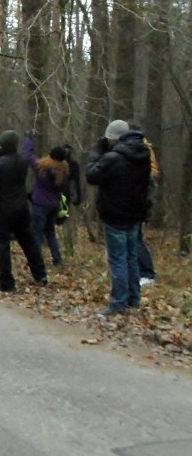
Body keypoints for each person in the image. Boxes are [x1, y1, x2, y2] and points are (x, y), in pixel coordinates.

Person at [85, 120, 152, 315]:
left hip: (115, 214)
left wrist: (97, 153)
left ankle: (118, 303)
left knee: (118, 259)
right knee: (131, 257)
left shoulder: (112, 158)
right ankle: (134, 297)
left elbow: (91, 175)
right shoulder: (143, 154)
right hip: (135, 213)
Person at [0, 130, 47, 292]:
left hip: (1, 210)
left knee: (3, 244)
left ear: (3, 144)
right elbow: (9, 158)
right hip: (21, 208)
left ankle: (7, 283)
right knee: (28, 241)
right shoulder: (22, 160)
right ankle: (41, 275)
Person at [24, 134, 69, 267]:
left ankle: (36, 261)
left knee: (36, 232)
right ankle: (57, 260)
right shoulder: (64, 171)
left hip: (40, 204)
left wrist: (28, 139)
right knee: (50, 233)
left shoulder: (42, 167)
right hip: (54, 205)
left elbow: (29, 155)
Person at [128, 121, 159, 286]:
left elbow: (150, 177)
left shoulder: (141, 149)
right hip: (140, 198)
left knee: (137, 237)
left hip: (139, 200)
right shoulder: (145, 147)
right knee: (136, 237)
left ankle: (147, 272)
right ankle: (142, 271)